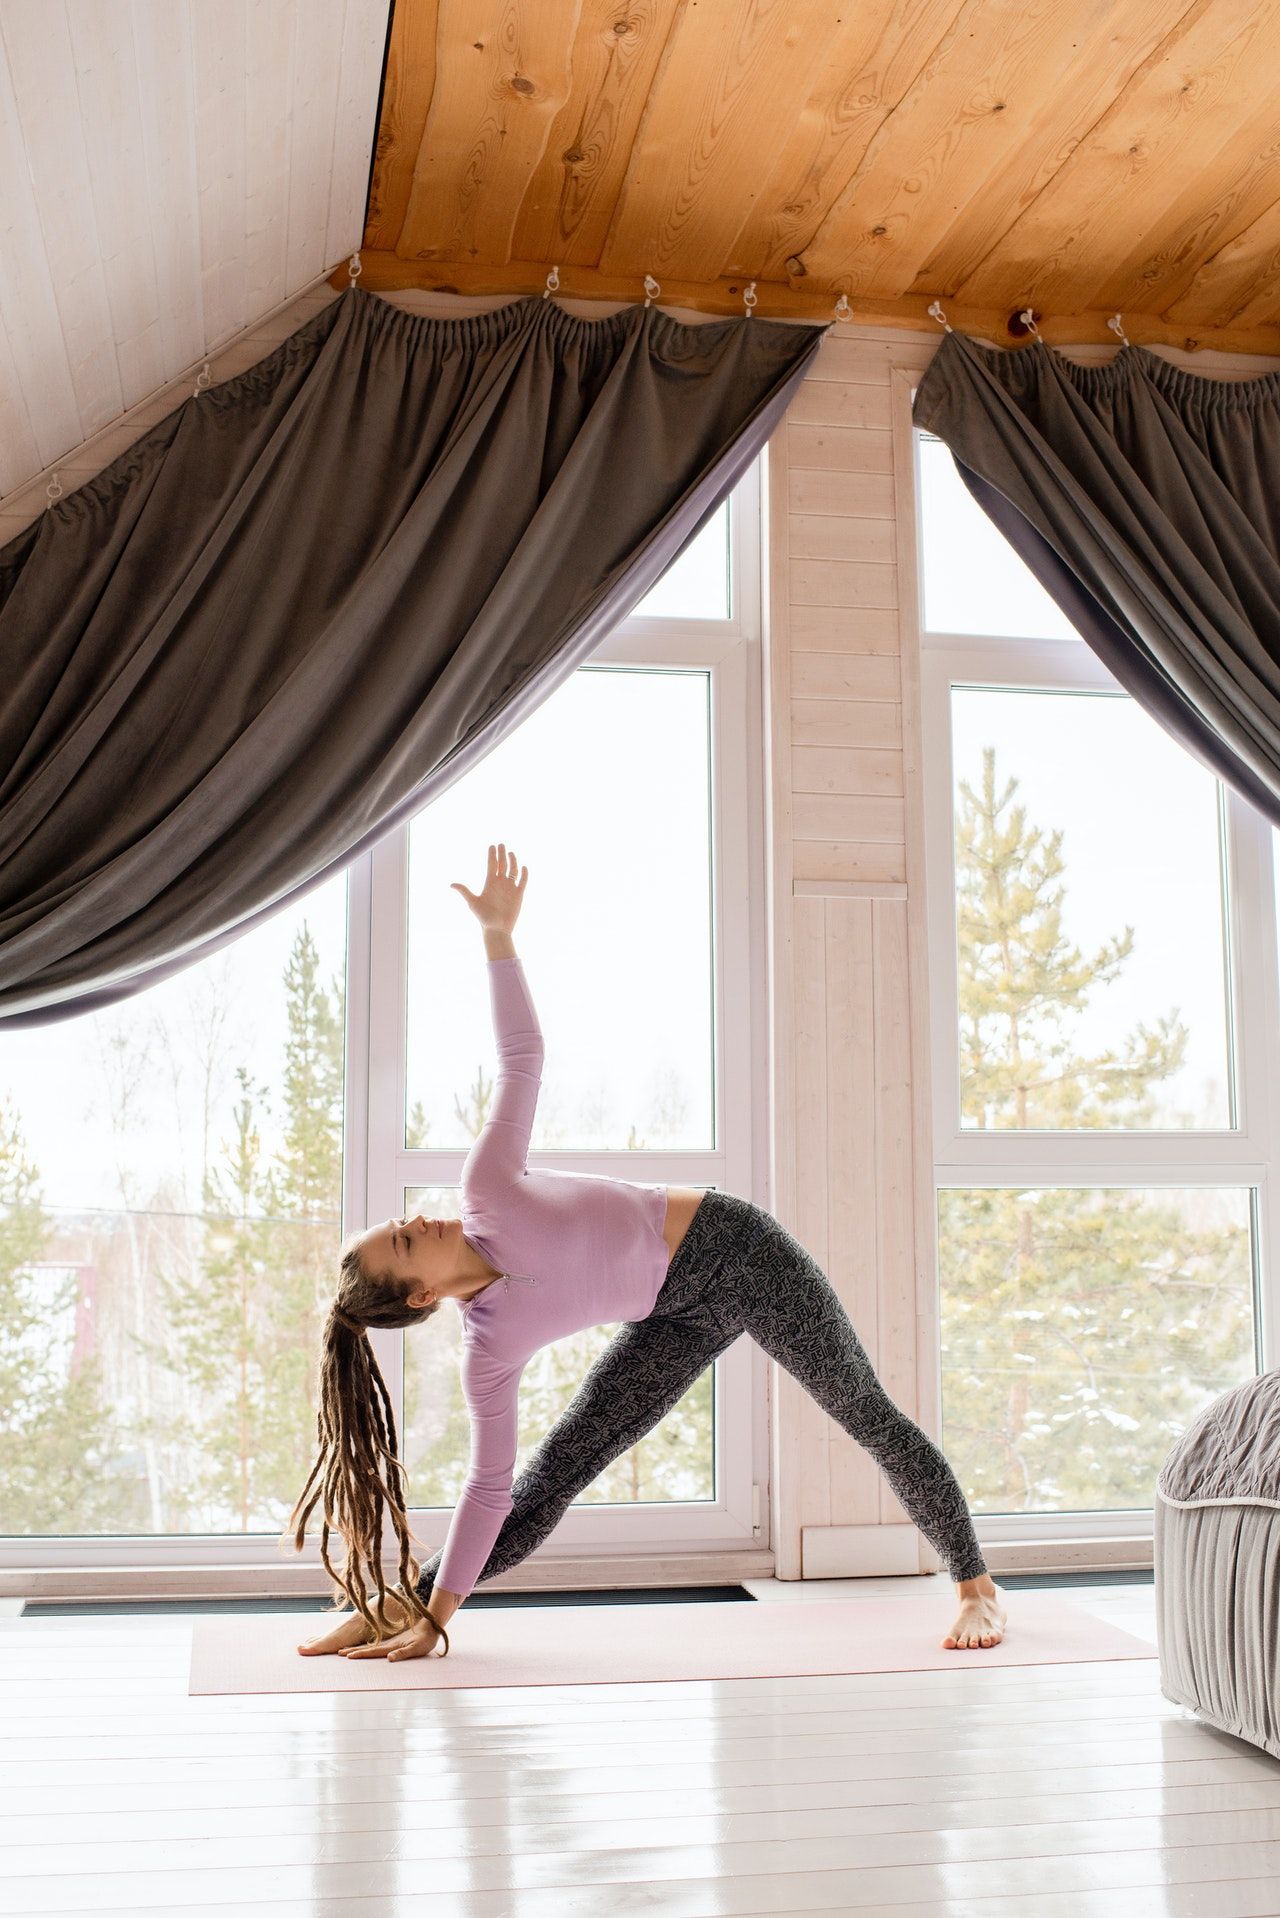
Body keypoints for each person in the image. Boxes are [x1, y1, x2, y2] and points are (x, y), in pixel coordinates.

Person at [291, 842, 1008, 1663]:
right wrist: (437, 1614)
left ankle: (976, 1587)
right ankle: (399, 1609)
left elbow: (523, 1060)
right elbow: (489, 1490)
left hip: (739, 1251)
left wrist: (498, 936)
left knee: (863, 1411)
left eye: (406, 1221)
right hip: (674, 1313)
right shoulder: (488, 1349)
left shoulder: (488, 1185)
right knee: (556, 1471)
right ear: (418, 1295)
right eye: (409, 1240)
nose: (423, 1221)